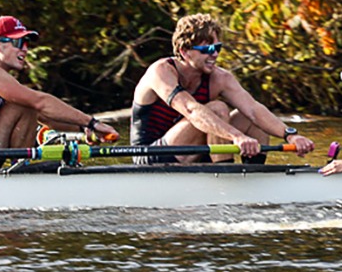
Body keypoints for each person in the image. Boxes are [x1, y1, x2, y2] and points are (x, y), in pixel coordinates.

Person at [0, 15, 116, 174]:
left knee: (25, 105)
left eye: (26, 43)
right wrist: (92, 122)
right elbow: (41, 101)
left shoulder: (3, 81)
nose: (24, 48)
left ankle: (19, 171)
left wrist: (84, 130)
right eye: (18, 42)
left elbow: (45, 115)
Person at [131, 14, 315, 163]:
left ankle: (253, 177)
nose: (215, 54)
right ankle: (226, 180)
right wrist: (236, 136)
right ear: (184, 52)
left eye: (217, 47)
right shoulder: (161, 71)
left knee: (248, 116)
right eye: (207, 49)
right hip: (152, 154)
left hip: (194, 148)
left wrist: (291, 136)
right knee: (217, 109)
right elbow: (191, 110)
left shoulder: (220, 77)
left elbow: (253, 109)